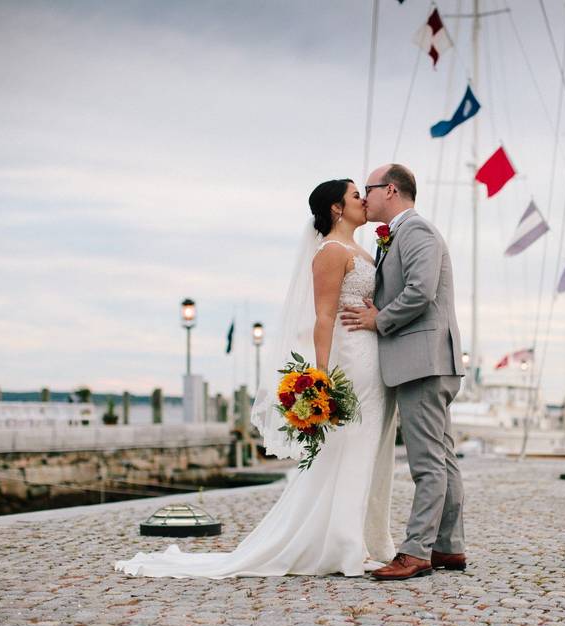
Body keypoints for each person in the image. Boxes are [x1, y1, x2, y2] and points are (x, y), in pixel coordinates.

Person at [114, 179, 397, 578]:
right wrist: (321, 375)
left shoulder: (360, 249)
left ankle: (355, 536)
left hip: (371, 357)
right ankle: (343, 543)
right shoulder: (331, 252)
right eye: (355, 196)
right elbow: (324, 316)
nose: (363, 201)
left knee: (362, 448)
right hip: (349, 359)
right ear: (336, 208)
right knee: (346, 446)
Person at [341, 163, 466, 580]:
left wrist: (380, 320)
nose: (365, 196)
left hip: (423, 362)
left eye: (369, 189)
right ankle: (448, 547)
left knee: (426, 462)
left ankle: (415, 552)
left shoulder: (416, 232)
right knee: (443, 458)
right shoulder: (396, 236)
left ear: (390, 191)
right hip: (422, 361)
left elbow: (420, 291)